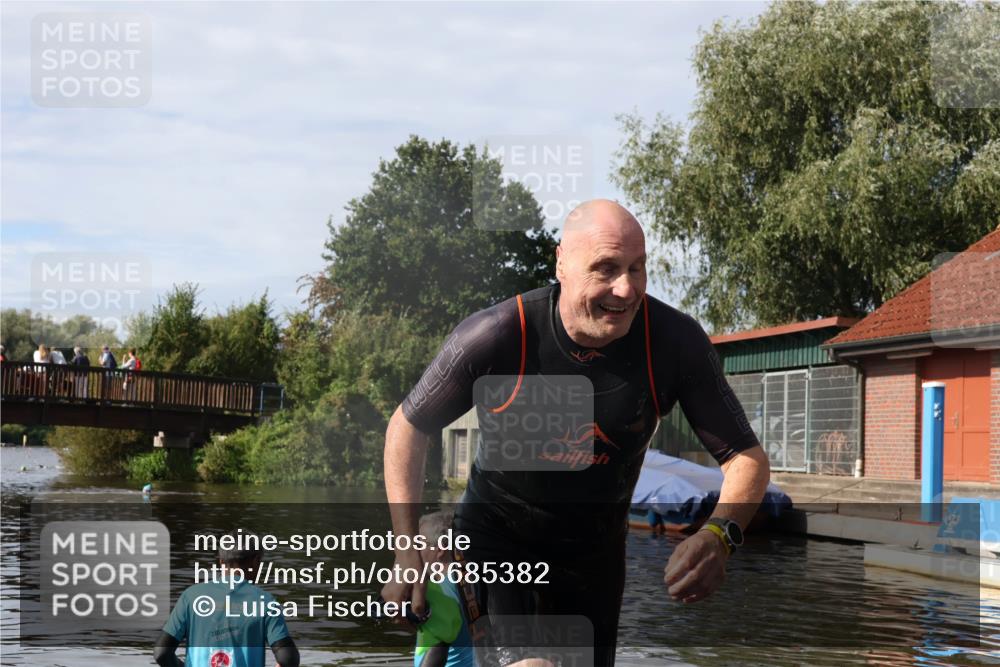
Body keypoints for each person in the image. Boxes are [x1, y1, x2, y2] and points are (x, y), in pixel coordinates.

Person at [382, 199, 771, 666]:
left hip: (595, 558)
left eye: (637, 268)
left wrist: (719, 534)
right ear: (561, 262)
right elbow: (408, 426)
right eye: (605, 269)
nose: (626, 290)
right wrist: (407, 553)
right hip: (498, 541)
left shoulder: (674, 343)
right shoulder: (499, 335)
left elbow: (745, 458)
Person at [154, 531, 300, 667]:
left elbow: (161, 654)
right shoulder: (265, 602)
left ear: (221, 561)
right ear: (255, 561)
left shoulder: (191, 597)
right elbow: (288, 658)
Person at [412, 511, 474, 667]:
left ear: (440, 549)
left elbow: (437, 650)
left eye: (418, 545)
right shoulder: (473, 582)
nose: (412, 552)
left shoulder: (438, 593)